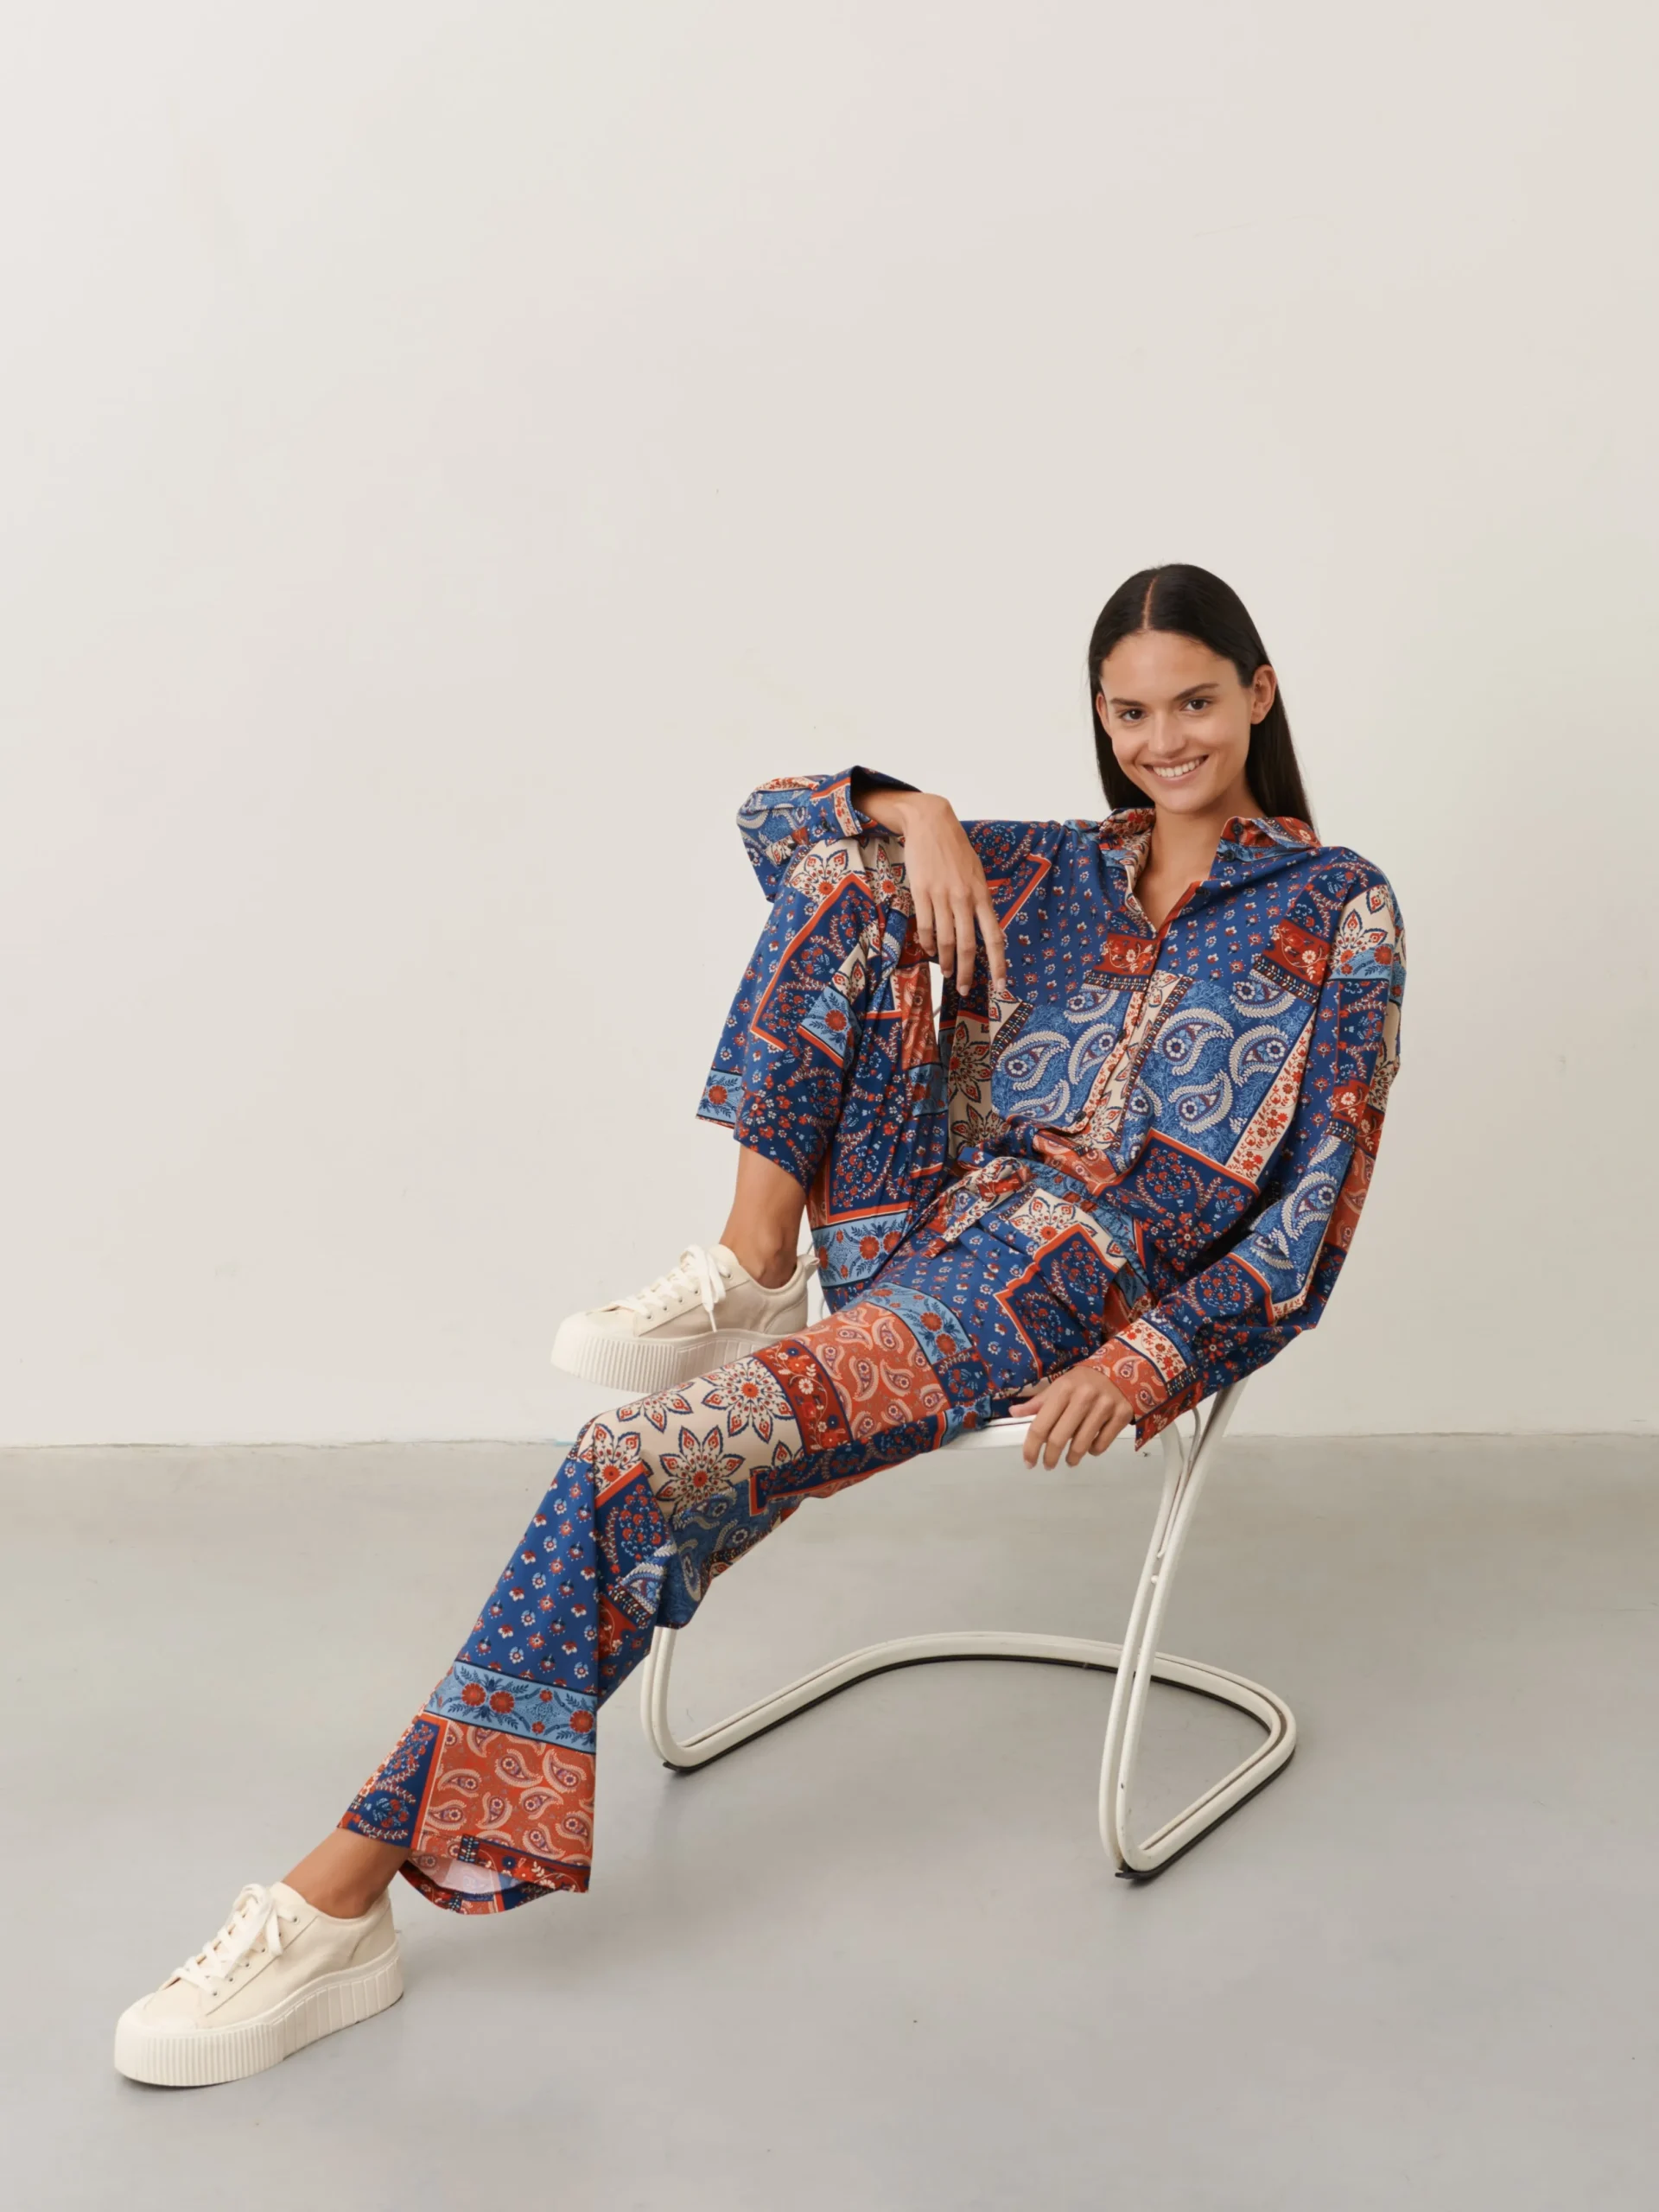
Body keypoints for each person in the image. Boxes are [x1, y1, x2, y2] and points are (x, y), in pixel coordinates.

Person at [114, 563, 1407, 2087]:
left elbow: (1310, 1226)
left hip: (1054, 1287)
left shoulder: (1339, 909)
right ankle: (756, 1255)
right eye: (1130, 714)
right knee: (853, 871)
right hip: (911, 1222)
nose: (1164, 740)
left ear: (1258, 694)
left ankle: (336, 1896)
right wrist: (920, 809)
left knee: (631, 1466)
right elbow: (772, 824)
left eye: (1194, 702)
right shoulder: (1055, 866)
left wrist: (1146, 1361)